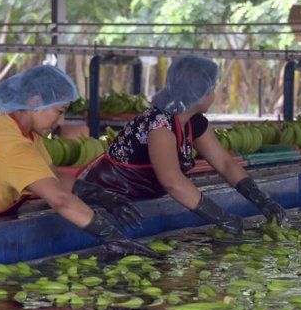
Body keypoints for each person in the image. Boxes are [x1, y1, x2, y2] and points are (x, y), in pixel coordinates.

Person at [0, 65, 153, 257]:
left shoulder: (7, 125)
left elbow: (53, 176)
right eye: (59, 111)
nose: (61, 121)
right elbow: (60, 200)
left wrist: (103, 197)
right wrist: (113, 237)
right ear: (35, 102)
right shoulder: (15, 147)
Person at [77, 55, 286, 235]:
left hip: (136, 200)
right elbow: (172, 182)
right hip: (107, 201)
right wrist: (223, 219)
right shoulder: (160, 125)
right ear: (198, 94)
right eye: (212, 89)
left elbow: (224, 164)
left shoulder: (193, 121)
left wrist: (261, 200)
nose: (214, 94)